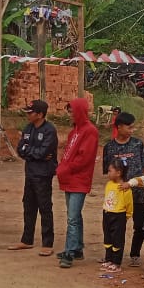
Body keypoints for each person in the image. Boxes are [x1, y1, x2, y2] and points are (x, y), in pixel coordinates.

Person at [56, 97, 99, 269]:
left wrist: (66, 168)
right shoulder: (74, 131)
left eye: (72, 112)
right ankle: (77, 248)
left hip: (79, 178)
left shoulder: (89, 131)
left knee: (72, 218)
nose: (70, 115)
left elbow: (84, 158)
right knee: (74, 215)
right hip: (70, 177)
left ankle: (69, 252)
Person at [11, 99, 58, 255]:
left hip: (43, 174)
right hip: (30, 172)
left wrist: (29, 151)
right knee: (28, 206)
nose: (28, 115)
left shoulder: (49, 130)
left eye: (30, 113)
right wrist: (33, 152)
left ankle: (47, 243)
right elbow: (20, 150)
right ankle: (27, 240)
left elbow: (43, 152)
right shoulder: (28, 128)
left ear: (40, 114)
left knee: (45, 207)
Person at [101, 111, 144, 266]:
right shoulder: (109, 147)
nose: (132, 130)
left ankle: (135, 254)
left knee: (140, 225)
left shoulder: (138, 144)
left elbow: (143, 169)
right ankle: (111, 256)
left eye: (133, 127)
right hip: (118, 197)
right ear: (119, 127)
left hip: (137, 194)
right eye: (129, 127)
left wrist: (134, 183)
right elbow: (107, 172)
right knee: (113, 228)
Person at [100, 158, 133, 273]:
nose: (108, 173)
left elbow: (129, 205)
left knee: (117, 240)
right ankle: (108, 259)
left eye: (110, 171)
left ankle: (116, 263)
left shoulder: (125, 188)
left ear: (118, 173)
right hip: (107, 214)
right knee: (108, 238)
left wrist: (125, 217)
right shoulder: (109, 184)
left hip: (119, 216)